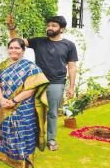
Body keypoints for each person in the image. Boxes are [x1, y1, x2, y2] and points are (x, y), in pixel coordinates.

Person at [6, 15, 78, 151]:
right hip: (37, 82)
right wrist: (11, 28)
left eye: (54, 26)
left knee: (52, 112)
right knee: (34, 111)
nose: (50, 28)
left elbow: (72, 66)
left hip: (56, 82)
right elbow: (17, 42)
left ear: (62, 29)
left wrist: (71, 86)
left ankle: (51, 139)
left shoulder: (69, 45)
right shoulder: (39, 41)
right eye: (49, 25)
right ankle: (36, 138)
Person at [0, 38, 49, 168]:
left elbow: (32, 89)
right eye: (11, 48)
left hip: (23, 106)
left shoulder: (31, 67)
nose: (14, 50)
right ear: (8, 50)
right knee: (7, 129)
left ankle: (24, 160)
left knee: (23, 131)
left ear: (23, 50)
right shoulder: (2, 66)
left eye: (17, 48)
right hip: (5, 105)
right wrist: (0, 99)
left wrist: (14, 101)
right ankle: (7, 156)